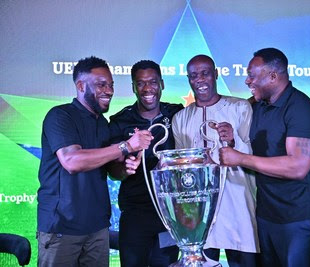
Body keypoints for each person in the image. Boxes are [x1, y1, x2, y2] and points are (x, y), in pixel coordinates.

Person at [37, 56, 153, 267]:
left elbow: (112, 171)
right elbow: (72, 162)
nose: (108, 91)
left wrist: (126, 168)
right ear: (80, 86)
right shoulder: (60, 116)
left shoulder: (103, 124)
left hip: (98, 229)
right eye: (101, 85)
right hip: (61, 228)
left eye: (111, 85)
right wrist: (125, 146)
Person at [219, 48, 310, 267]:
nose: (247, 80)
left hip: (298, 218)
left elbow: (298, 167)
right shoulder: (258, 104)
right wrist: (232, 138)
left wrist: (239, 158)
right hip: (267, 215)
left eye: (252, 75)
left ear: (273, 76)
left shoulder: (302, 110)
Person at [172, 55, 259, 266]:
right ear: (188, 79)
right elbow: (180, 167)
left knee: (244, 261)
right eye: (193, 75)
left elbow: (254, 156)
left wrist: (232, 140)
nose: (200, 79)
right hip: (200, 210)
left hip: (237, 200)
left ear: (216, 74)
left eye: (205, 73)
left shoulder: (239, 108)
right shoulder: (180, 118)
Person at [108, 60, 183, 267]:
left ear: (162, 84)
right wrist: (125, 169)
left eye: (153, 82)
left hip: (168, 215)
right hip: (134, 214)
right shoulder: (119, 121)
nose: (147, 88)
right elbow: (112, 171)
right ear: (133, 87)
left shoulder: (177, 114)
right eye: (140, 83)